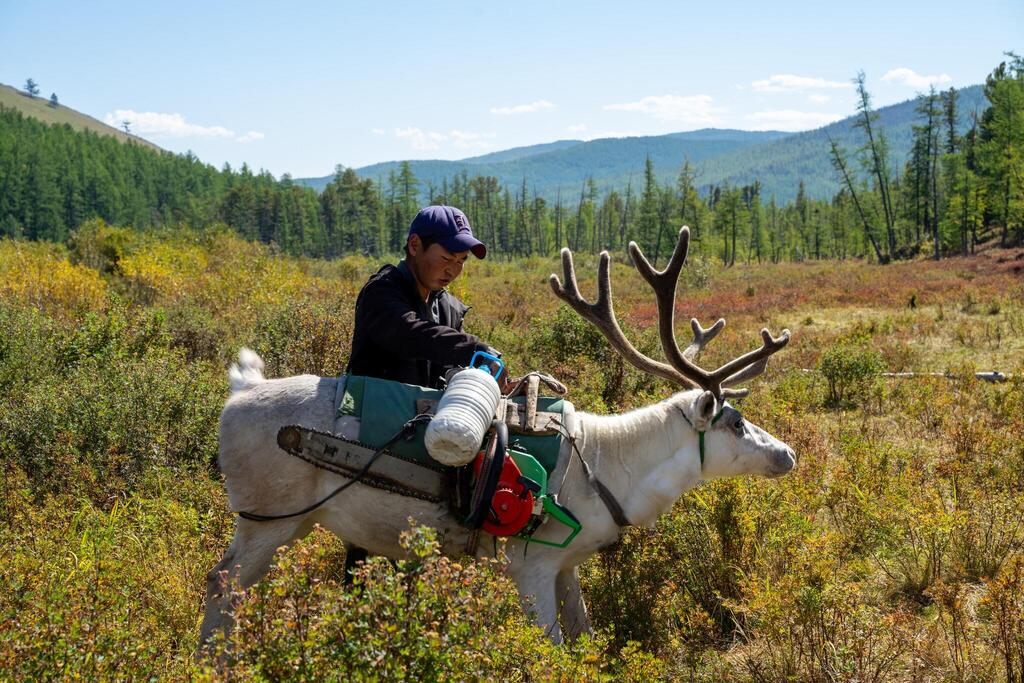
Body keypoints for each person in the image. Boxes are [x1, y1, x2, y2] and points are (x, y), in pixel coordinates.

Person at [343, 204, 505, 577]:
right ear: (414, 245)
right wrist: (472, 346)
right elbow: (411, 334)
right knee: (372, 555)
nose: (453, 270)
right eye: (446, 257)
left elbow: (447, 364)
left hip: (426, 444)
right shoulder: (382, 294)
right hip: (372, 440)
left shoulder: (446, 306)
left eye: (461, 261)